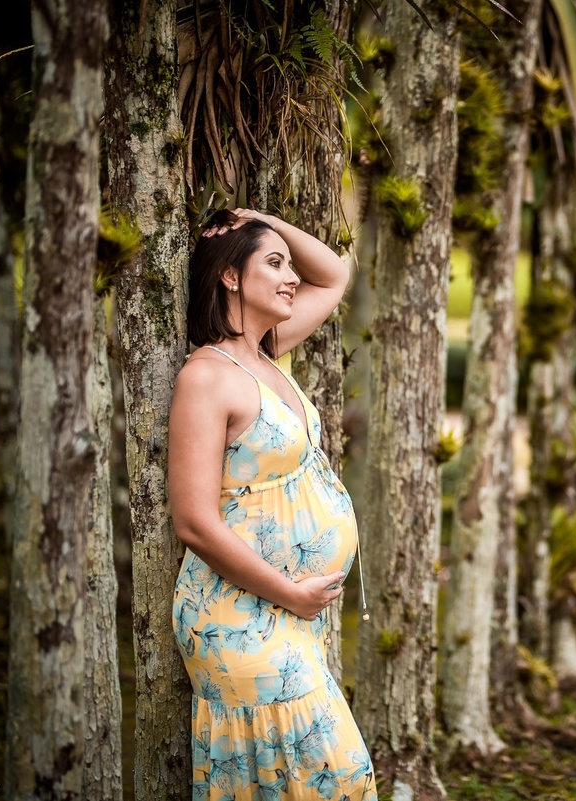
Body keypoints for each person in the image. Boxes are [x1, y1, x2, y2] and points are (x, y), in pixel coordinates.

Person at [168, 208, 377, 800]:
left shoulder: (266, 353)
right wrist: (291, 593)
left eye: (289, 265)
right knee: (337, 780)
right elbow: (194, 521)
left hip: (287, 617)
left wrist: (260, 220)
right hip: (239, 616)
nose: (291, 277)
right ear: (231, 276)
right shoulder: (209, 375)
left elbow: (334, 275)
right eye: (275, 263)